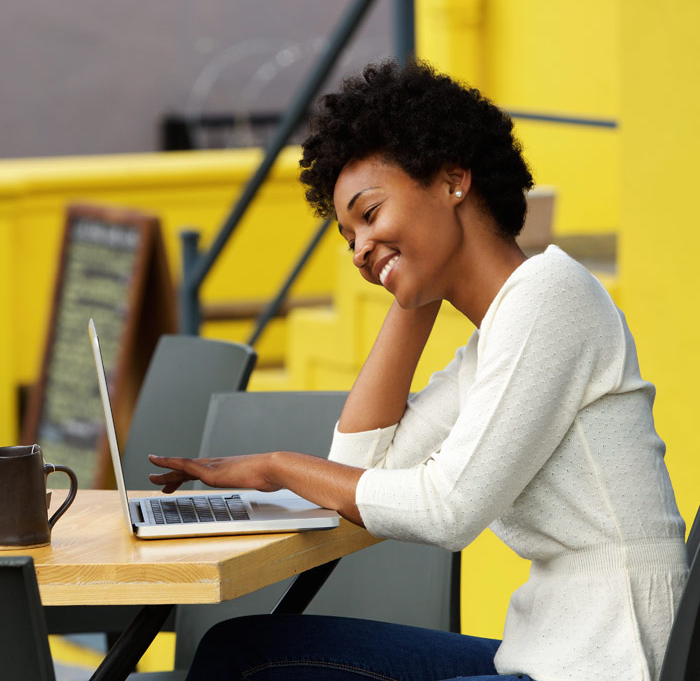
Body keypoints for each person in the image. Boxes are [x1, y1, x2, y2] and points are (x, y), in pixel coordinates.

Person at [148, 60, 688, 681]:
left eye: (370, 215)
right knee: (241, 652)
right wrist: (414, 289)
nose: (357, 250)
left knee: (245, 666)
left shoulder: (551, 297)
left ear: (453, 180)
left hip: (613, 660)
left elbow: (449, 510)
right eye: (348, 235)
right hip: (548, 654)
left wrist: (277, 467)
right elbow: (360, 470)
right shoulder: (499, 335)